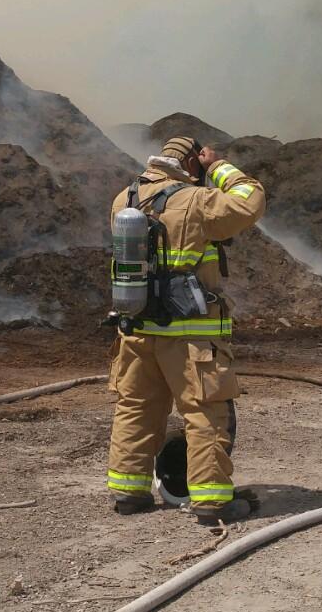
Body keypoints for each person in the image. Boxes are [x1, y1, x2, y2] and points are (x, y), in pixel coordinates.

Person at [102, 134, 267, 526]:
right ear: (191, 164)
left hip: (137, 329)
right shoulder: (195, 200)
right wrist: (218, 167)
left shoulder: (124, 199)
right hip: (189, 336)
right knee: (205, 412)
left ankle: (129, 493)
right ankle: (211, 502)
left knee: (136, 408)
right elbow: (250, 199)